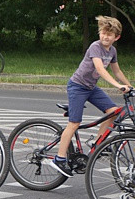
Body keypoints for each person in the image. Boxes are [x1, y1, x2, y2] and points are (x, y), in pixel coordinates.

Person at [49, 15, 133, 177]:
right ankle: (59, 158)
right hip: (77, 86)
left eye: (109, 34)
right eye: (103, 33)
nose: (105, 37)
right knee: (74, 123)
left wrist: (129, 86)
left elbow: (117, 71)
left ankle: (98, 143)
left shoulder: (112, 51)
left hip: (91, 88)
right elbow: (100, 69)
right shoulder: (95, 47)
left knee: (114, 112)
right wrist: (117, 86)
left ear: (116, 37)